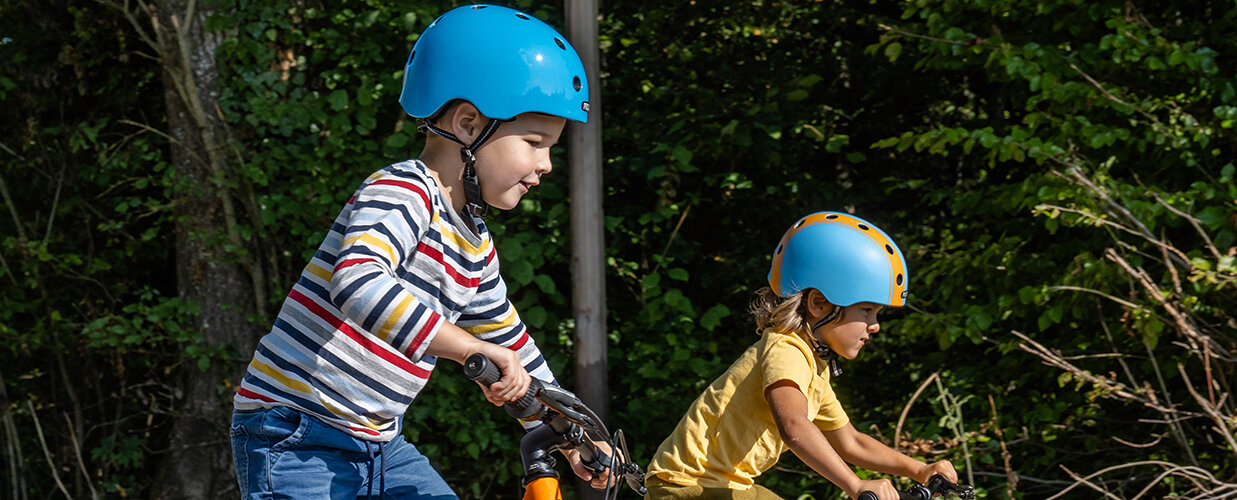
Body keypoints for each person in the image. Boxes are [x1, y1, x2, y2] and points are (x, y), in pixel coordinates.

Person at [230, 5, 606, 499]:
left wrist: (571, 431)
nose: (547, 164)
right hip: (298, 432)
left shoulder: (474, 242)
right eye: (535, 142)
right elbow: (359, 282)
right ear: (469, 124)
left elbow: (510, 343)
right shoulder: (404, 190)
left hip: (380, 446)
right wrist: (469, 349)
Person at [643, 212, 961, 500]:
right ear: (819, 303)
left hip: (725, 486)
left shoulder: (814, 367)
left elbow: (851, 442)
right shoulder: (786, 350)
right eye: (866, 310)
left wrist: (920, 469)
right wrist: (855, 485)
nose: (875, 325)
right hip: (687, 486)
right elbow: (794, 426)